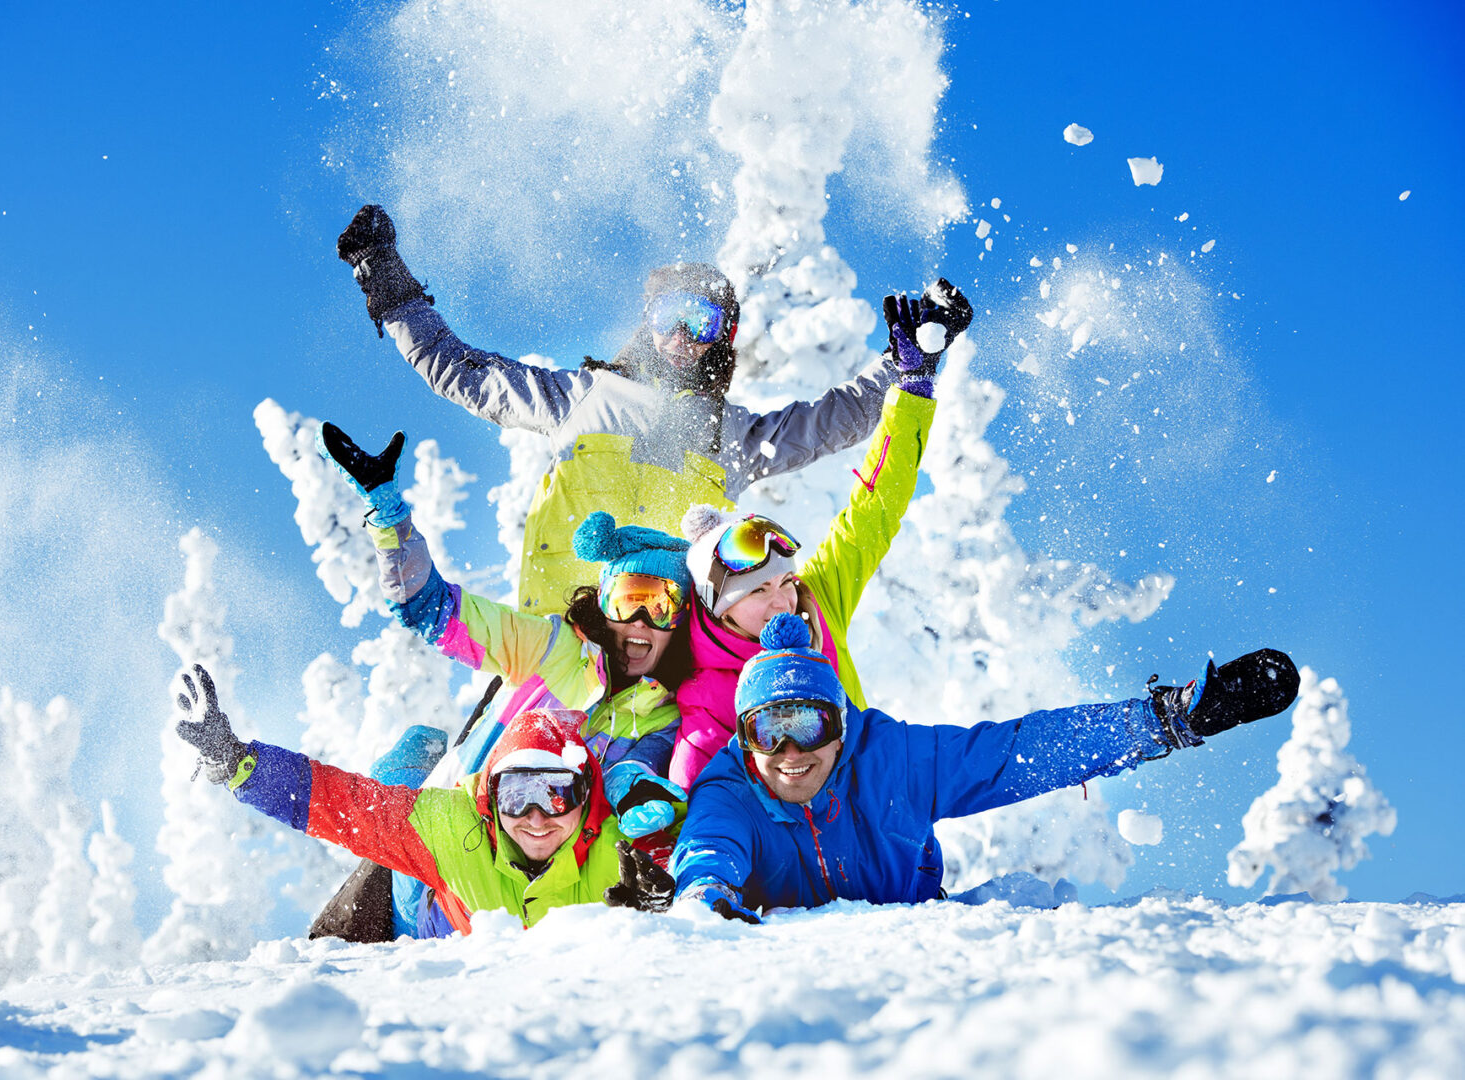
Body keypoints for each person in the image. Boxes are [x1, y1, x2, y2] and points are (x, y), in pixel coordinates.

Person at [336, 205, 919, 616]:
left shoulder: (730, 436)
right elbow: (461, 370)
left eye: (705, 324)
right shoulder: (579, 398)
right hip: (559, 647)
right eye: (673, 316)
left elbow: (832, 421)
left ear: (722, 340)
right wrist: (386, 282)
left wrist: (905, 365)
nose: (684, 336)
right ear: (649, 320)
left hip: (663, 663)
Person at [656, 614, 1299, 921]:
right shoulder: (729, 788)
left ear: (841, 724)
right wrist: (705, 898)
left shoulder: (890, 759)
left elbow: (1015, 754)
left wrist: (1162, 721)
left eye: (810, 725)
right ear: (744, 737)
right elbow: (708, 851)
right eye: (770, 730)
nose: (792, 754)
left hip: (918, 954)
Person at [319, 424, 692, 840]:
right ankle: (402, 777)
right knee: (372, 873)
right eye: (627, 599)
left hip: (532, 880)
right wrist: (388, 515)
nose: (641, 618)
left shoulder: (666, 714)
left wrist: (638, 792)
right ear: (603, 606)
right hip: (445, 841)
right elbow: (432, 609)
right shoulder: (550, 647)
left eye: (663, 604)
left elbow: (635, 770)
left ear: (681, 622)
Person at [669, 283, 971, 790]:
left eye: (782, 581)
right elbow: (694, 798)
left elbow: (876, 506)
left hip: (865, 820)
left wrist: (914, 388)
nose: (782, 600)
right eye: (758, 591)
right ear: (718, 606)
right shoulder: (707, 691)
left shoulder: (817, 603)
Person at [174, 666, 671, 932]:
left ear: (586, 795)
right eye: (518, 795)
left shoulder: (620, 849)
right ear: (491, 798)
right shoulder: (455, 826)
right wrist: (242, 764)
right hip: (419, 913)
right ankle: (435, 745)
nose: (536, 817)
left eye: (556, 794)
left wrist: (662, 902)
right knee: (401, 775)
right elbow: (345, 804)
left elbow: (696, 863)